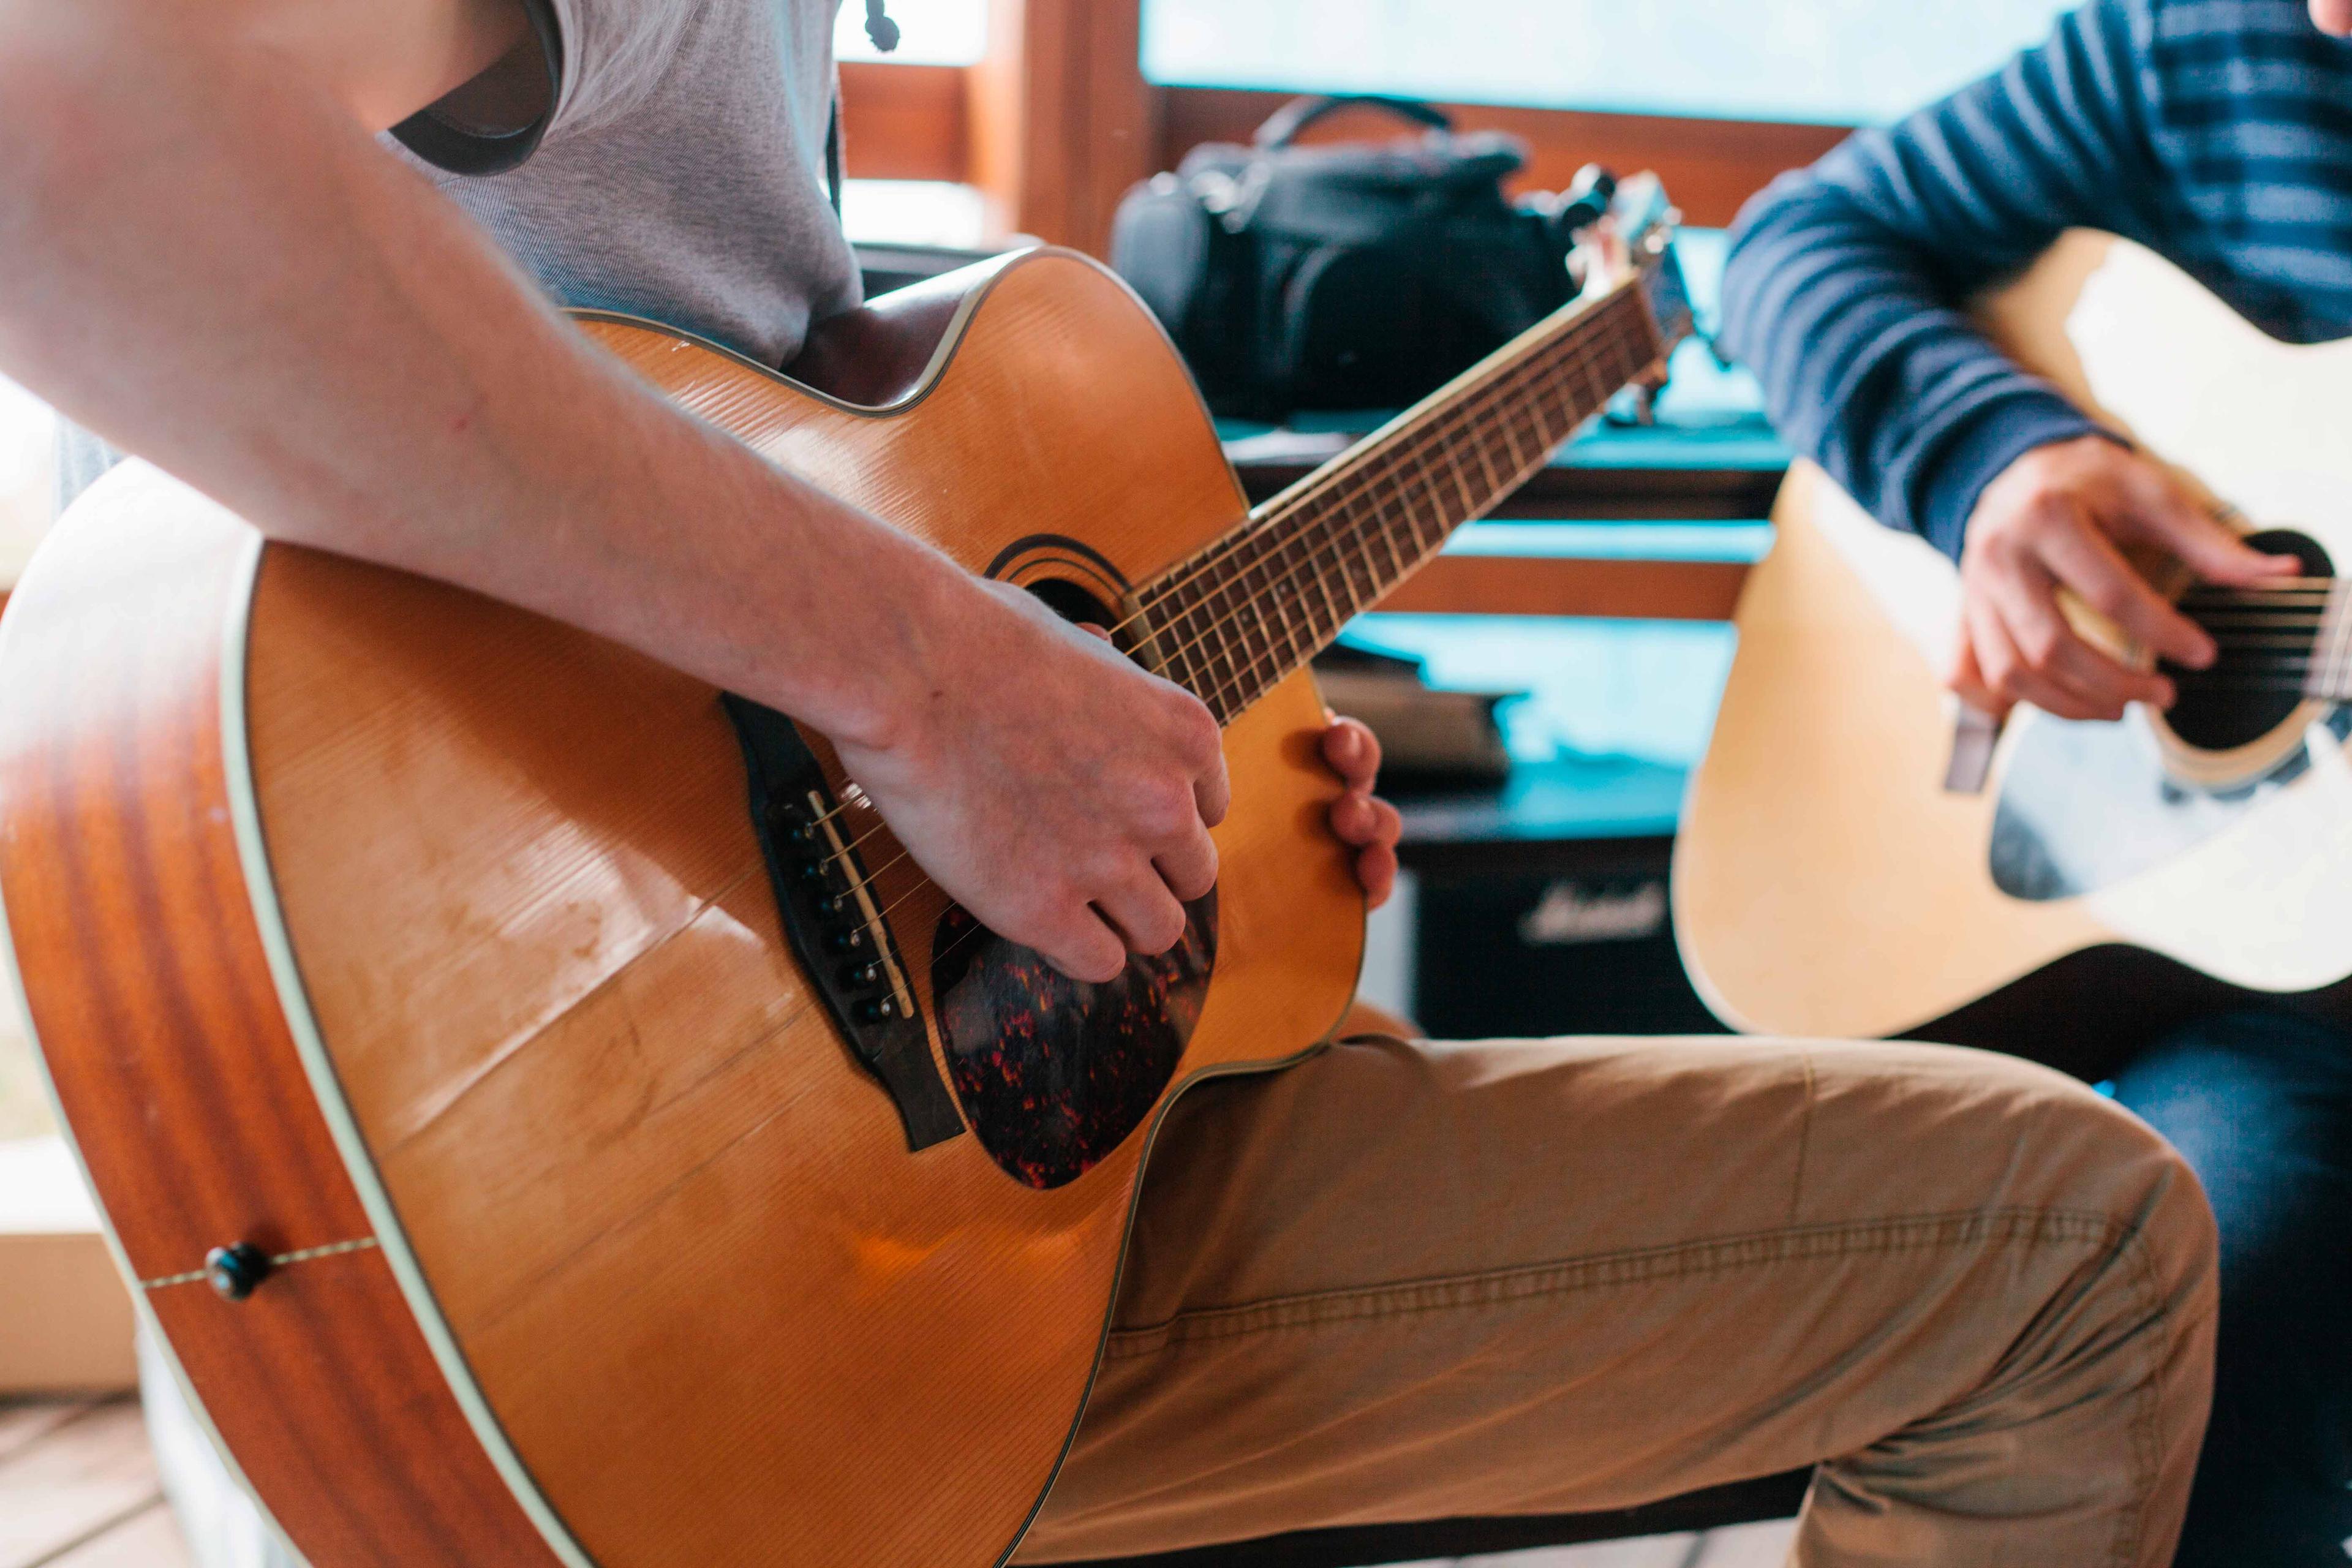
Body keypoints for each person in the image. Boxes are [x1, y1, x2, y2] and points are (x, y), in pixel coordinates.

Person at [0, 2, 2219, 1562]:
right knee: (2077, 1265)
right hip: (636, 1311)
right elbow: (53, 131)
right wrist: (938, 691)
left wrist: (1185, 790)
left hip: (765, 1253)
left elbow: (832, 543)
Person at [1719, 0, 2352, 1561]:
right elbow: (1790, 244)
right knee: (2170, 1296)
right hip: (2275, 1014)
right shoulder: (2196, 46)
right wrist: (1992, 462)